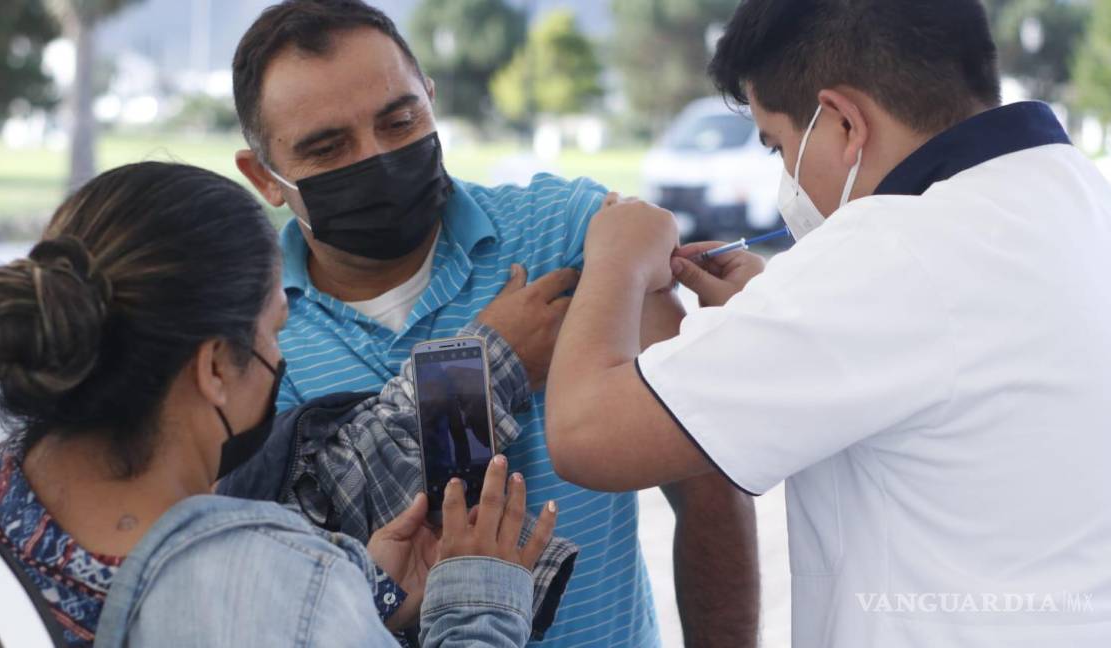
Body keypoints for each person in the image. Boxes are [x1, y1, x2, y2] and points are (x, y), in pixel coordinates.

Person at [545, 0, 1111, 646]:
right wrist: (773, 317)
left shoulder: (895, 251)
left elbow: (585, 432)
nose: (786, 182)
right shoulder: (1080, 196)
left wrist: (616, 261)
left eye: (780, 146)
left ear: (844, 121)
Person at [229, 2, 758, 646]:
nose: (377, 157)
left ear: (430, 98)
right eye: (327, 147)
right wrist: (481, 366)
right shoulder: (251, 339)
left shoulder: (567, 234)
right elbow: (291, 577)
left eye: (400, 120)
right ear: (265, 177)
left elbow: (707, 484)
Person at [0, 162, 556, 648]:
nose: (280, 355)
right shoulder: (267, 583)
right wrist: (478, 602)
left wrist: (362, 594)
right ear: (217, 366)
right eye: (274, 328)